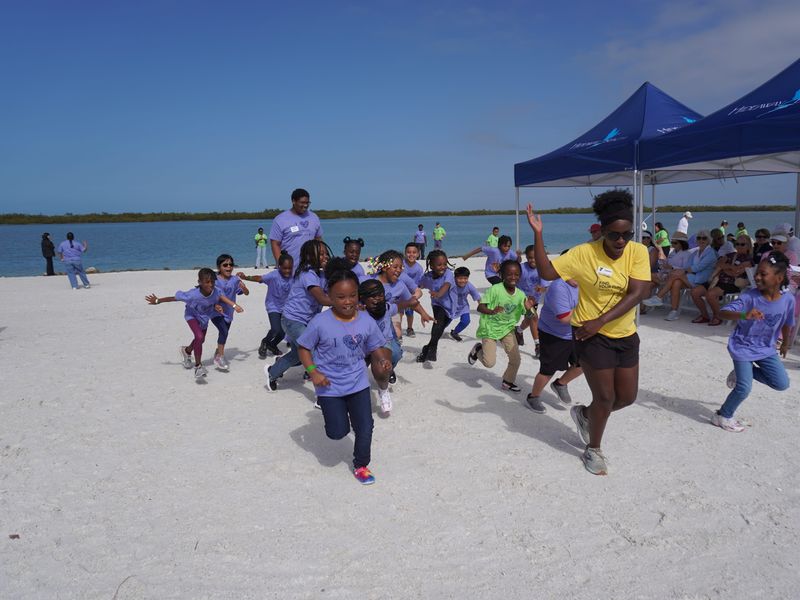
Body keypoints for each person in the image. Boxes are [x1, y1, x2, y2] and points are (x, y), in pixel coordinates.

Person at [526, 189, 651, 476]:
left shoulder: (638, 251)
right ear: (602, 232)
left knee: (627, 397)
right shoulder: (584, 253)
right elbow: (546, 273)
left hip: (625, 334)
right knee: (605, 398)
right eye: (614, 235)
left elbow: (639, 292)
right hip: (590, 337)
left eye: (627, 235)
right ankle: (593, 448)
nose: (621, 241)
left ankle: (585, 415)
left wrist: (602, 319)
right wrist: (539, 234)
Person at [296, 263, 391, 484]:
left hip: (357, 381)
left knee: (365, 427)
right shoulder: (320, 322)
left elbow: (375, 346)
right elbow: (303, 348)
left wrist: (383, 361)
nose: (347, 301)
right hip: (329, 385)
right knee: (337, 432)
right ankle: (341, 419)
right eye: (340, 297)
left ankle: (361, 465)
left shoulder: (366, 320)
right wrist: (313, 372)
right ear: (329, 295)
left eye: (352, 296)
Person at [711, 253, 794, 432]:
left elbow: (788, 323)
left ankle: (741, 373)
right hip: (742, 346)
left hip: (766, 348)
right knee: (743, 388)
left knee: (781, 383)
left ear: (779, 278)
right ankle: (722, 415)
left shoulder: (788, 300)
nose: (756, 277)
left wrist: (786, 343)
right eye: (757, 272)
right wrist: (743, 314)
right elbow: (721, 313)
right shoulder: (749, 297)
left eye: (763, 274)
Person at [145, 268, 243, 380]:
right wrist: (158, 301)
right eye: (207, 282)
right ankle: (198, 366)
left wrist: (230, 306)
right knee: (199, 337)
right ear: (199, 282)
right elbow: (174, 298)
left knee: (200, 340)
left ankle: (186, 351)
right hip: (191, 316)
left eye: (212, 282)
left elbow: (220, 298)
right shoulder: (192, 295)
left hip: (204, 318)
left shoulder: (215, 291)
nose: (210, 284)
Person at [265, 239, 333, 391]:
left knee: (297, 355)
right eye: (320, 254)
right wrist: (345, 303)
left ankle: (272, 372)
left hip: (306, 321)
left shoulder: (321, 275)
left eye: (326, 254)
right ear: (309, 257)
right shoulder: (307, 274)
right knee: (311, 351)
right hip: (292, 320)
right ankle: (322, 395)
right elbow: (322, 298)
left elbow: (331, 291)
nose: (325, 257)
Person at [467, 260, 535, 393]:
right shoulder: (495, 289)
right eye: (509, 274)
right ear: (502, 275)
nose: (513, 277)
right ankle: (478, 350)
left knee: (515, 360)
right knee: (489, 363)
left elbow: (531, 317)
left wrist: (528, 309)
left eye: (516, 274)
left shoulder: (521, 295)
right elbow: (480, 307)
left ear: (520, 275)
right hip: (490, 329)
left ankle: (508, 382)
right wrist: (492, 311)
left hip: (507, 330)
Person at [524, 275, 583, 414]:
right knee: (548, 370)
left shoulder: (585, 282)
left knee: (584, 363)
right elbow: (565, 318)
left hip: (575, 333)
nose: (577, 274)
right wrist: (589, 311)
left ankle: (560, 384)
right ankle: (533, 397)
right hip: (554, 334)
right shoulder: (558, 287)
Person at [643, 229, 717, 321]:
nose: (701, 240)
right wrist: (683, 270)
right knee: (676, 283)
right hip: (690, 277)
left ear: (708, 240)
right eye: (699, 238)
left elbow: (698, 267)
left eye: (704, 238)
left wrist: (681, 270)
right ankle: (673, 312)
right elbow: (687, 266)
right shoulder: (695, 253)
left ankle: (658, 297)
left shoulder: (710, 253)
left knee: (675, 274)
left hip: (701, 279)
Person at [238, 253, 294, 358]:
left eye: (290, 268)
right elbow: (259, 278)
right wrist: (246, 277)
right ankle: (265, 342)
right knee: (275, 329)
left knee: (283, 332)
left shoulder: (294, 276)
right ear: (279, 267)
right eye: (285, 268)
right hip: (273, 306)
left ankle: (272, 345)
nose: (287, 271)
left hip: (286, 308)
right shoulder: (274, 275)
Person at [358, 278, 401, 412]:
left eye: (380, 295)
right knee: (352, 373)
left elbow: (406, 303)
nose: (378, 299)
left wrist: (422, 312)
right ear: (362, 298)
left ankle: (383, 390)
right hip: (361, 347)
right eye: (373, 296)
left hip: (382, 344)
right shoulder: (357, 311)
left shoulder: (387, 307)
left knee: (384, 368)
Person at [690, 235, 753, 326]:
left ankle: (717, 316)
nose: (739, 246)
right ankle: (705, 315)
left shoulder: (749, 259)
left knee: (710, 294)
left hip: (731, 284)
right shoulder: (730, 255)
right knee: (695, 292)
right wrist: (730, 267)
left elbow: (736, 272)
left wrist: (724, 268)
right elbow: (717, 264)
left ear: (748, 246)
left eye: (742, 244)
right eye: (737, 244)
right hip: (717, 280)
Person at [416, 249, 455, 363]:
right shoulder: (427, 276)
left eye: (444, 264)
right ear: (431, 266)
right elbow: (417, 285)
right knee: (438, 324)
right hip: (437, 305)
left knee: (439, 329)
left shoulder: (448, 274)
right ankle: (433, 349)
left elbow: (446, 285)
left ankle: (427, 348)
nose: (443, 267)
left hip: (450, 306)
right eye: (439, 265)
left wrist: (438, 293)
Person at [211, 254, 249, 370]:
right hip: (215, 311)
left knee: (224, 333)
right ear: (219, 267)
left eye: (231, 265)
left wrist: (244, 288)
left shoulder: (235, 280)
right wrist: (233, 305)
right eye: (225, 265)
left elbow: (246, 293)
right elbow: (217, 295)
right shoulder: (214, 280)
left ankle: (218, 351)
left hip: (228, 312)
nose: (228, 267)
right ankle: (220, 357)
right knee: (223, 331)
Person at [269, 188, 324, 267]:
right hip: (290, 267)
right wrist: (280, 264)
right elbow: (275, 244)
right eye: (302, 202)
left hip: (311, 267)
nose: (305, 205)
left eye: (307, 203)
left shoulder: (314, 217)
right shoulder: (280, 219)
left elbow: (319, 240)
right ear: (293, 201)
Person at [448, 266, 481, 342]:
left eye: (465, 278)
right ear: (455, 278)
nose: (462, 281)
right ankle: (439, 331)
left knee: (466, 321)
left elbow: (477, 297)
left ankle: (455, 332)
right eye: (460, 278)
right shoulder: (450, 284)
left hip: (463, 307)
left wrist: (482, 307)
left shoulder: (469, 286)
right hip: (450, 307)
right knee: (445, 322)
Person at [402, 242, 424, 337]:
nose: (411, 254)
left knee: (409, 312)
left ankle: (410, 328)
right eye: (408, 252)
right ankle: (396, 330)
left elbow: (418, 284)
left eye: (414, 252)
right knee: (398, 313)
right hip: (399, 292)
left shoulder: (419, 268)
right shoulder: (401, 264)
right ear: (405, 253)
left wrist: (415, 293)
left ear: (418, 254)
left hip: (411, 294)